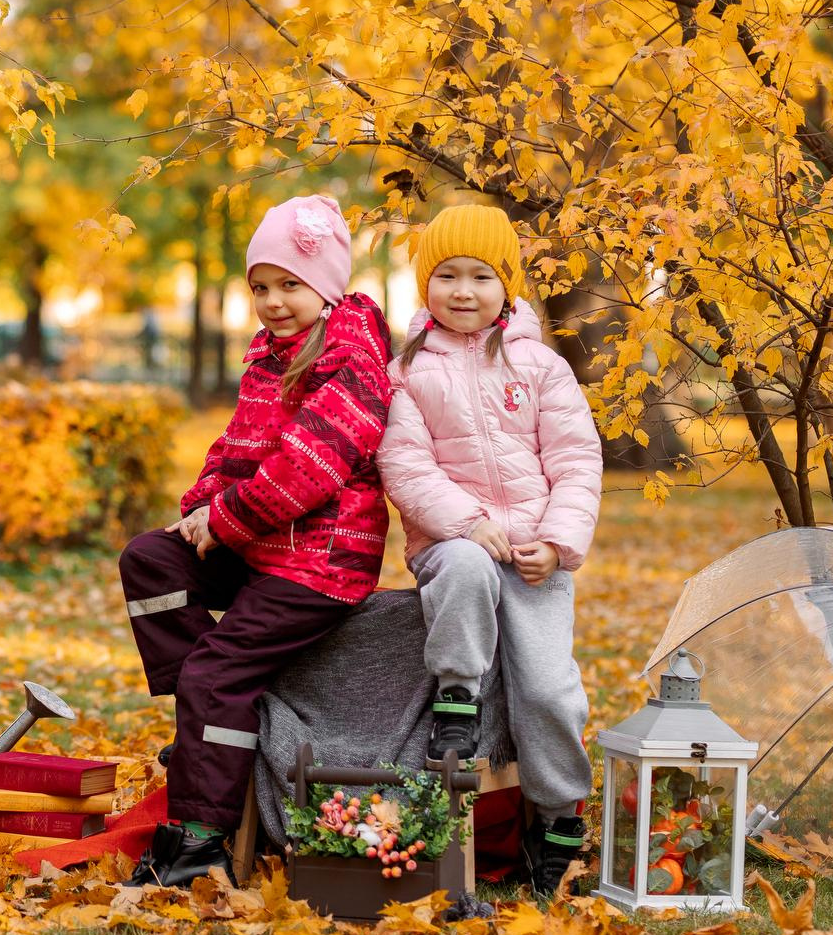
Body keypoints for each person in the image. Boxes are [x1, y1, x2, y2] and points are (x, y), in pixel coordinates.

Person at [118, 194, 394, 888]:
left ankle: (198, 840)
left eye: (290, 285)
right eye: (261, 287)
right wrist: (200, 508)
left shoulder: (353, 360)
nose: (273, 301)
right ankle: (209, 731)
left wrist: (225, 520)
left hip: (322, 562)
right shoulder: (269, 353)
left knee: (215, 675)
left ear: (325, 286)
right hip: (264, 546)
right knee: (150, 559)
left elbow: (306, 468)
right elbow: (238, 444)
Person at [376, 202, 602, 896]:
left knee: (550, 689)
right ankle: (457, 696)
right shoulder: (407, 371)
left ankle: (558, 817)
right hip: (451, 543)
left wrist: (558, 542)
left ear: (507, 285)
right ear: (426, 283)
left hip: (533, 554)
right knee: (467, 563)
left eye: (481, 276)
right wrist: (467, 522)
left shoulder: (540, 367)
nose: (464, 291)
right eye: (447, 275)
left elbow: (576, 459)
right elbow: (404, 464)